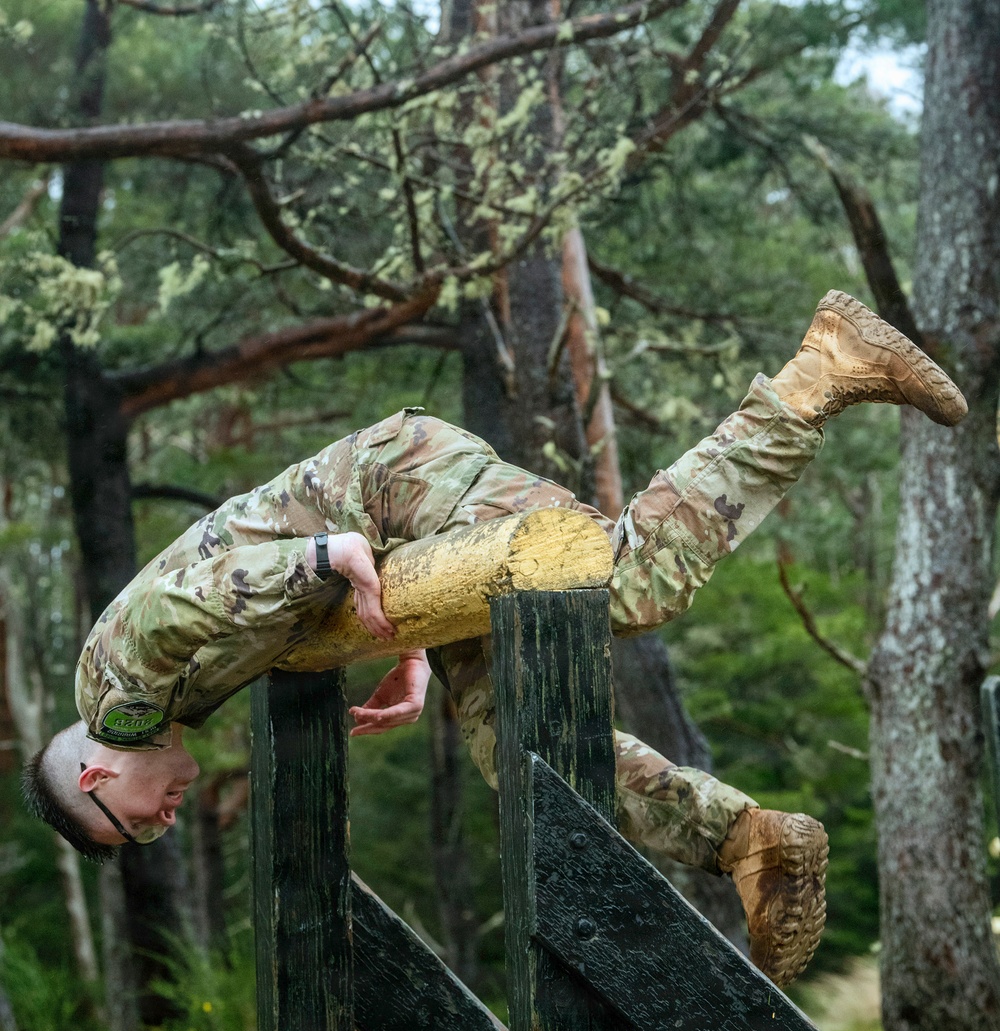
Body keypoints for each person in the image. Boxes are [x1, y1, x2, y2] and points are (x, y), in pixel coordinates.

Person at [23, 291, 966, 986]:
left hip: (395, 484)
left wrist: (327, 552)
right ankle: (749, 843)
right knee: (512, 750)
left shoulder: (117, 693)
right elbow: (255, 608)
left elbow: (183, 601)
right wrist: (411, 647)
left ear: (99, 779)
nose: (166, 819)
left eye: (141, 820)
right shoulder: (163, 705)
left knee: (617, 578)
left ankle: (825, 367)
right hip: (389, 530)